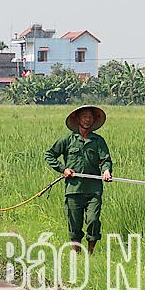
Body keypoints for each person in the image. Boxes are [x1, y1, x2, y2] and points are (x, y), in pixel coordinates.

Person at [45, 105, 113, 253]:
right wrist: (63, 169)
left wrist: (106, 171)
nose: (88, 120)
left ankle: (90, 253)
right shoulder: (68, 140)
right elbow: (49, 155)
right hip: (74, 190)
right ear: (78, 119)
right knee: (74, 224)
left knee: (93, 220)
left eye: (90, 117)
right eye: (85, 117)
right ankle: (77, 253)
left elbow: (105, 160)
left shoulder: (98, 141)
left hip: (93, 189)